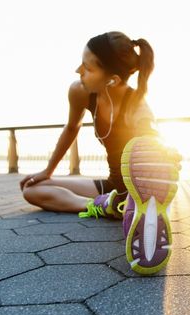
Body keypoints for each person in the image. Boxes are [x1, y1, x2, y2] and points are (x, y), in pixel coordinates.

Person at [20, 31, 181, 275]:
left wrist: (167, 154)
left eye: (87, 67)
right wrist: (47, 171)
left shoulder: (137, 107)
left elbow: (152, 143)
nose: (78, 71)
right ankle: (107, 205)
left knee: (136, 191)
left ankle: (131, 207)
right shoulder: (80, 91)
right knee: (32, 189)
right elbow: (71, 128)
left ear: (112, 80)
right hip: (112, 186)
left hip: (136, 190)